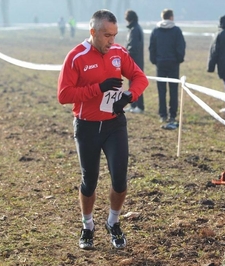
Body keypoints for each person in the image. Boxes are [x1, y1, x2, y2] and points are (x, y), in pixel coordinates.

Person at [57, 9, 148, 250]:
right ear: (93, 32)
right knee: (90, 181)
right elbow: (63, 95)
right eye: (107, 35)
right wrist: (98, 88)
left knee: (120, 180)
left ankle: (113, 222)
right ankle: (87, 226)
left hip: (114, 125)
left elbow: (140, 78)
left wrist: (129, 96)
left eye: (115, 35)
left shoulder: (119, 52)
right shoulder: (76, 57)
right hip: (87, 127)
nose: (112, 40)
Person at [149, 9, 186, 130]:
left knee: (161, 91)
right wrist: (178, 59)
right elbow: (181, 46)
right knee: (173, 90)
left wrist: (155, 60)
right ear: (171, 17)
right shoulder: (176, 30)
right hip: (173, 64)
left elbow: (151, 47)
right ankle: (173, 114)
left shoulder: (155, 30)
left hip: (160, 63)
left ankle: (162, 114)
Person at [123, 9, 145, 114]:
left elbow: (133, 47)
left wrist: (126, 55)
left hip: (135, 62)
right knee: (132, 84)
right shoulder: (134, 28)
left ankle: (139, 106)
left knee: (137, 84)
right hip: (134, 61)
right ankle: (133, 104)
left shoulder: (134, 30)